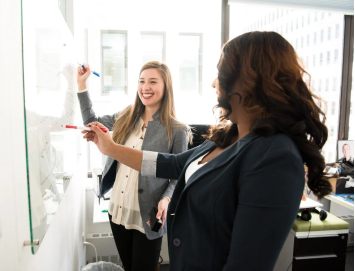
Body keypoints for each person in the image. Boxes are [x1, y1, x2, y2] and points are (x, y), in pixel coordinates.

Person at [82, 32, 333, 270]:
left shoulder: (275, 157)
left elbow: (245, 265)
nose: (214, 83)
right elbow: (171, 164)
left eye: (220, 73)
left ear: (250, 80)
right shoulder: (227, 136)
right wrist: (112, 149)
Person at [77, 61, 190, 271]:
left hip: (149, 214)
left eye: (153, 82)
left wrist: (166, 199)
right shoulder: (126, 116)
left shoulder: (177, 130)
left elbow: (179, 174)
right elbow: (91, 121)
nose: (145, 87)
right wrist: (82, 85)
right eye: (141, 81)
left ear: (166, 87)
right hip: (118, 209)